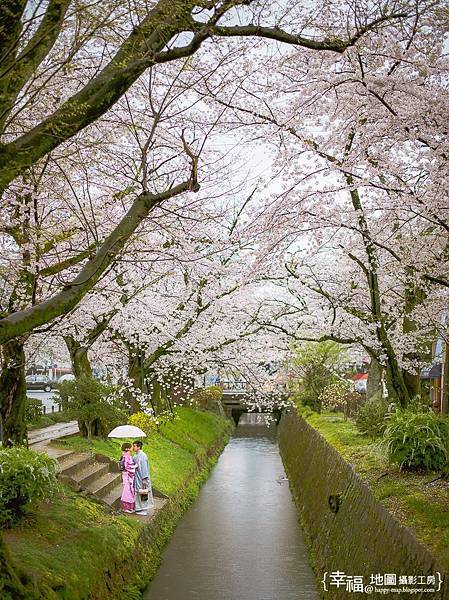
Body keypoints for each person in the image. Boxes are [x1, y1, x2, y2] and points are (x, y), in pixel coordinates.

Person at [132, 440, 154, 516]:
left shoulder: (143, 456)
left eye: (134, 446)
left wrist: (144, 479)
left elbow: (144, 468)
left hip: (142, 478)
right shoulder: (135, 455)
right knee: (138, 492)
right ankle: (139, 508)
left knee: (143, 492)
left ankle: (144, 509)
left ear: (138, 447)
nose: (133, 448)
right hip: (137, 477)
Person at [120, 442, 136, 513]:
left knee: (129, 490)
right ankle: (126, 508)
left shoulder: (125, 455)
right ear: (127, 448)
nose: (132, 447)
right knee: (128, 491)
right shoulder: (127, 456)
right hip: (128, 475)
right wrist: (135, 466)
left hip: (126, 475)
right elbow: (127, 466)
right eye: (131, 447)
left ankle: (129, 507)